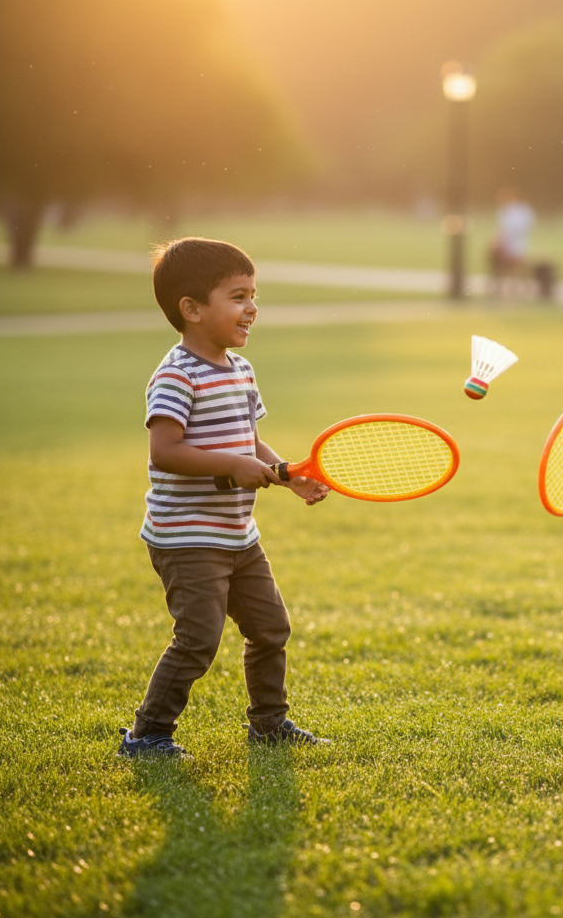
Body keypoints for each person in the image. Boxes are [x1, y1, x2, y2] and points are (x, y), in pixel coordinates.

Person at [119, 237, 330, 759]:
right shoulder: (176, 375)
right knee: (198, 638)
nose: (252, 307)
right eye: (238, 296)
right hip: (187, 536)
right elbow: (165, 451)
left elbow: (248, 441)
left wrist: (289, 475)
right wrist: (233, 468)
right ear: (191, 309)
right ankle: (147, 735)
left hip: (238, 535)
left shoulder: (240, 371)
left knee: (270, 628)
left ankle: (269, 723)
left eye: (253, 295)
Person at [488, 187, 536, 296]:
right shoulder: (507, 211)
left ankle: (515, 290)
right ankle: (511, 290)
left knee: (516, 267)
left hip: (515, 244)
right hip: (513, 244)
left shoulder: (518, 211)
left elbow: (511, 230)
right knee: (513, 268)